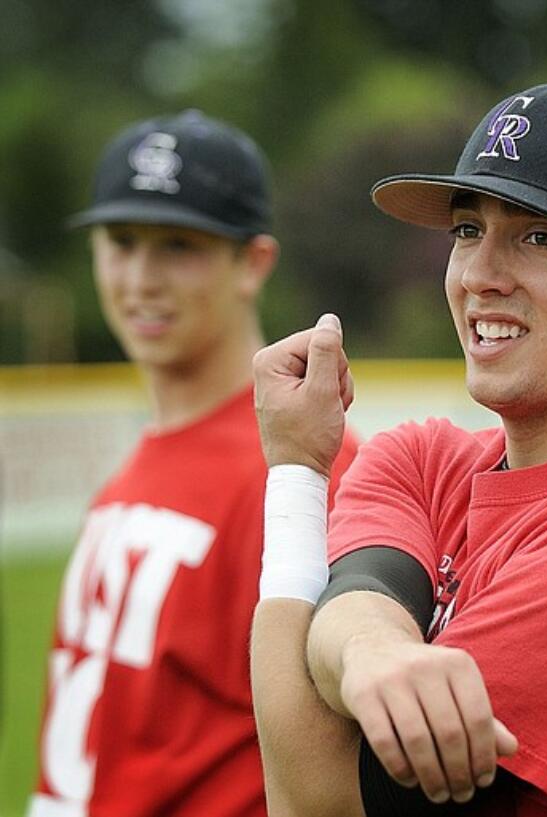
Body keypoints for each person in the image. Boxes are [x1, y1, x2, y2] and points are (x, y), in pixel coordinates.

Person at [249, 81, 547, 816]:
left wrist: (298, 471)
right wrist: (372, 649)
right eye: (468, 231)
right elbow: (360, 593)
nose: (479, 275)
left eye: (540, 236)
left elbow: (315, 801)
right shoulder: (421, 457)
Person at [28, 110, 359, 817]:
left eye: (179, 245)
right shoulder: (139, 465)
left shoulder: (305, 469)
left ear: (255, 262)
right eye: (120, 241)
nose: (142, 278)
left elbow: (334, 774)